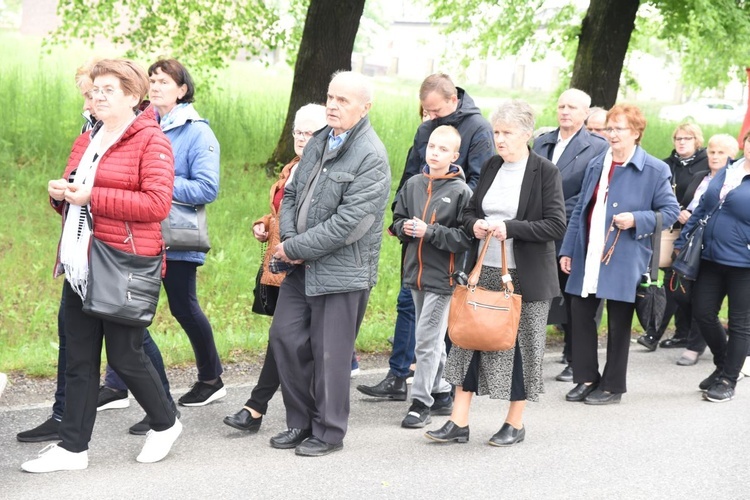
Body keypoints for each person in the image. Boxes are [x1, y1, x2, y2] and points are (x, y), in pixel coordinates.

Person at [22, 59, 181, 473]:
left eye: (108, 89)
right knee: (77, 356)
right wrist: (60, 193)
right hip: (80, 262)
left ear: (133, 95)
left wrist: (90, 195)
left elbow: (156, 204)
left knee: (126, 357)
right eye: (95, 89)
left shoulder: (152, 140)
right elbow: (74, 188)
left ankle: (166, 423)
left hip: (123, 263)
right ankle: (73, 448)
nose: (97, 95)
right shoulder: (88, 137)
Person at [425, 100, 566, 446]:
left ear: (527, 134)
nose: (499, 139)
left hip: (526, 278)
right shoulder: (491, 165)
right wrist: (474, 226)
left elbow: (555, 223)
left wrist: (510, 228)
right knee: (468, 340)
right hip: (483, 270)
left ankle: (515, 423)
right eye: (496, 132)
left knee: (523, 348)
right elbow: (470, 211)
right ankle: (459, 422)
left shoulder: (545, 171)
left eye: (507, 133)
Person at [268, 70, 391, 457]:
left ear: (365, 108)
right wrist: (289, 240)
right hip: (300, 263)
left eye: (343, 101)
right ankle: (301, 422)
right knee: (285, 338)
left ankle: (329, 431)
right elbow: (290, 195)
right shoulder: (320, 140)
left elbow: (350, 225)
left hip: (342, 272)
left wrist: (296, 248)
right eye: (330, 98)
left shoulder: (370, 155)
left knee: (330, 354)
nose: (333, 106)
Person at [357, 73, 494, 402]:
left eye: (435, 112)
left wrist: (439, 217)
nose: (430, 118)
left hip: (448, 237)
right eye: (426, 112)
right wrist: (398, 217)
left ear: (452, 100)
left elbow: (479, 184)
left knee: (437, 318)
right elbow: (410, 175)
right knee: (408, 304)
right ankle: (398, 375)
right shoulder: (426, 128)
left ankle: (431, 391)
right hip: (414, 235)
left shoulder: (478, 130)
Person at [559, 104, 679, 406]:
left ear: (636, 133)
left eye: (619, 129)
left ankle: (613, 386)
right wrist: (568, 249)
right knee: (581, 314)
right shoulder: (597, 163)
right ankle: (586, 378)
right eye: (609, 128)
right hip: (588, 252)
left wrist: (637, 219)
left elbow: (670, 211)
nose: (611, 134)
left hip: (624, 256)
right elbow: (580, 212)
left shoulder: (654, 169)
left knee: (618, 322)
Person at [222, 103, 327, 433]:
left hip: (305, 265)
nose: (300, 137)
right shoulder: (292, 167)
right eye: (297, 130)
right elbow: (282, 214)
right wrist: (263, 225)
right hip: (280, 264)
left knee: (284, 338)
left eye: (309, 132)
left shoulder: (320, 172)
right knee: (283, 338)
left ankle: (259, 407)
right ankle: (259, 408)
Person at [392, 125, 472, 428]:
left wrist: (431, 232)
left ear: (455, 155)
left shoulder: (461, 192)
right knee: (433, 338)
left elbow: (466, 238)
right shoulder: (413, 184)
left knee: (425, 339)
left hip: (444, 278)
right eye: (431, 147)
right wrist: (404, 229)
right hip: (415, 274)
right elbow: (397, 220)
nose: (435, 153)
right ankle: (440, 391)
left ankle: (420, 401)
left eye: (443, 149)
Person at [532, 89, 608, 383]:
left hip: (571, 232)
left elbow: (589, 193)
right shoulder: (543, 141)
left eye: (572, 107)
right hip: (537, 231)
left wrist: (554, 215)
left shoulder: (597, 147)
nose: (565, 111)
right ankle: (530, 357)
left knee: (572, 298)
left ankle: (573, 359)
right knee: (538, 297)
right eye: (561, 106)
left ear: (586, 112)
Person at [676, 129, 750, 402]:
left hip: (744, 264)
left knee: (740, 323)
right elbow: (703, 209)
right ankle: (723, 363)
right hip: (709, 257)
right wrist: (682, 242)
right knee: (702, 311)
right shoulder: (729, 170)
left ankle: (729, 379)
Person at [638, 123, 709, 351]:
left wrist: (690, 213)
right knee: (674, 282)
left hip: (693, 233)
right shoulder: (666, 165)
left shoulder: (707, 165)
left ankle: (654, 334)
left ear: (697, 140)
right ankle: (681, 333)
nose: (681, 142)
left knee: (677, 283)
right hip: (667, 230)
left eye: (687, 138)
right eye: (678, 138)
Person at [670, 134, 738, 366]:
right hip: (695, 243)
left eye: (721, 152)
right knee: (686, 295)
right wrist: (681, 240)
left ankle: (698, 346)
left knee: (714, 305)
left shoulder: (736, 180)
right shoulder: (700, 177)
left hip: (726, 250)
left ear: (733, 156)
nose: (715, 156)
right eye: (712, 152)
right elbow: (695, 210)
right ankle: (717, 349)